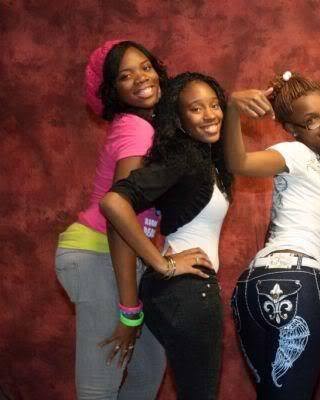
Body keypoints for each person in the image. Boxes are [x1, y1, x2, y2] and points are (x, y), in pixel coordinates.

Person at [100, 72, 234, 399]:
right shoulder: (184, 159)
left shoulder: (205, 160)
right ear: (179, 119)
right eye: (196, 109)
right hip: (188, 291)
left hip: (176, 293)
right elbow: (113, 202)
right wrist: (163, 264)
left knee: (148, 387)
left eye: (215, 105)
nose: (210, 114)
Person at [55, 40, 167, 399]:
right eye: (124, 75)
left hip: (119, 258)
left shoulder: (148, 126)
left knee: (147, 369)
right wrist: (130, 311)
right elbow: (119, 210)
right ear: (112, 89)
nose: (141, 78)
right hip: (98, 253)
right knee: (99, 385)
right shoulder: (137, 129)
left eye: (145, 67)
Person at [226, 71, 320, 399]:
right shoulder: (295, 153)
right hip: (298, 281)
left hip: (255, 283)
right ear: (292, 129)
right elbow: (239, 162)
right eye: (312, 120)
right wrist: (232, 110)